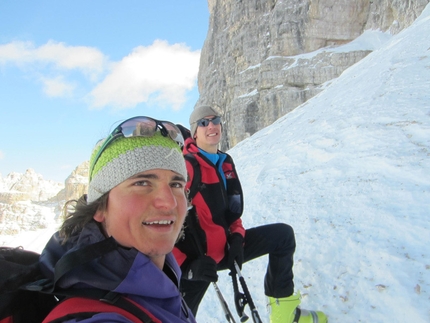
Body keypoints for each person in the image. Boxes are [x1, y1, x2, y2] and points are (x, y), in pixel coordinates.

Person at [173, 106, 327, 323]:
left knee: (282, 237)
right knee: (175, 318)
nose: (212, 126)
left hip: (227, 248)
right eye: (204, 123)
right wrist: (187, 268)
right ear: (194, 132)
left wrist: (237, 237)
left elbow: (232, 211)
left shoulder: (225, 162)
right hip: (197, 263)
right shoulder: (186, 167)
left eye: (215, 120)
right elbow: (163, 222)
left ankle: (284, 314)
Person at [39, 116, 196, 322]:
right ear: (100, 207)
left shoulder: (163, 275)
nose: (169, 202)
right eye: (142, 183)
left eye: (176, 185)